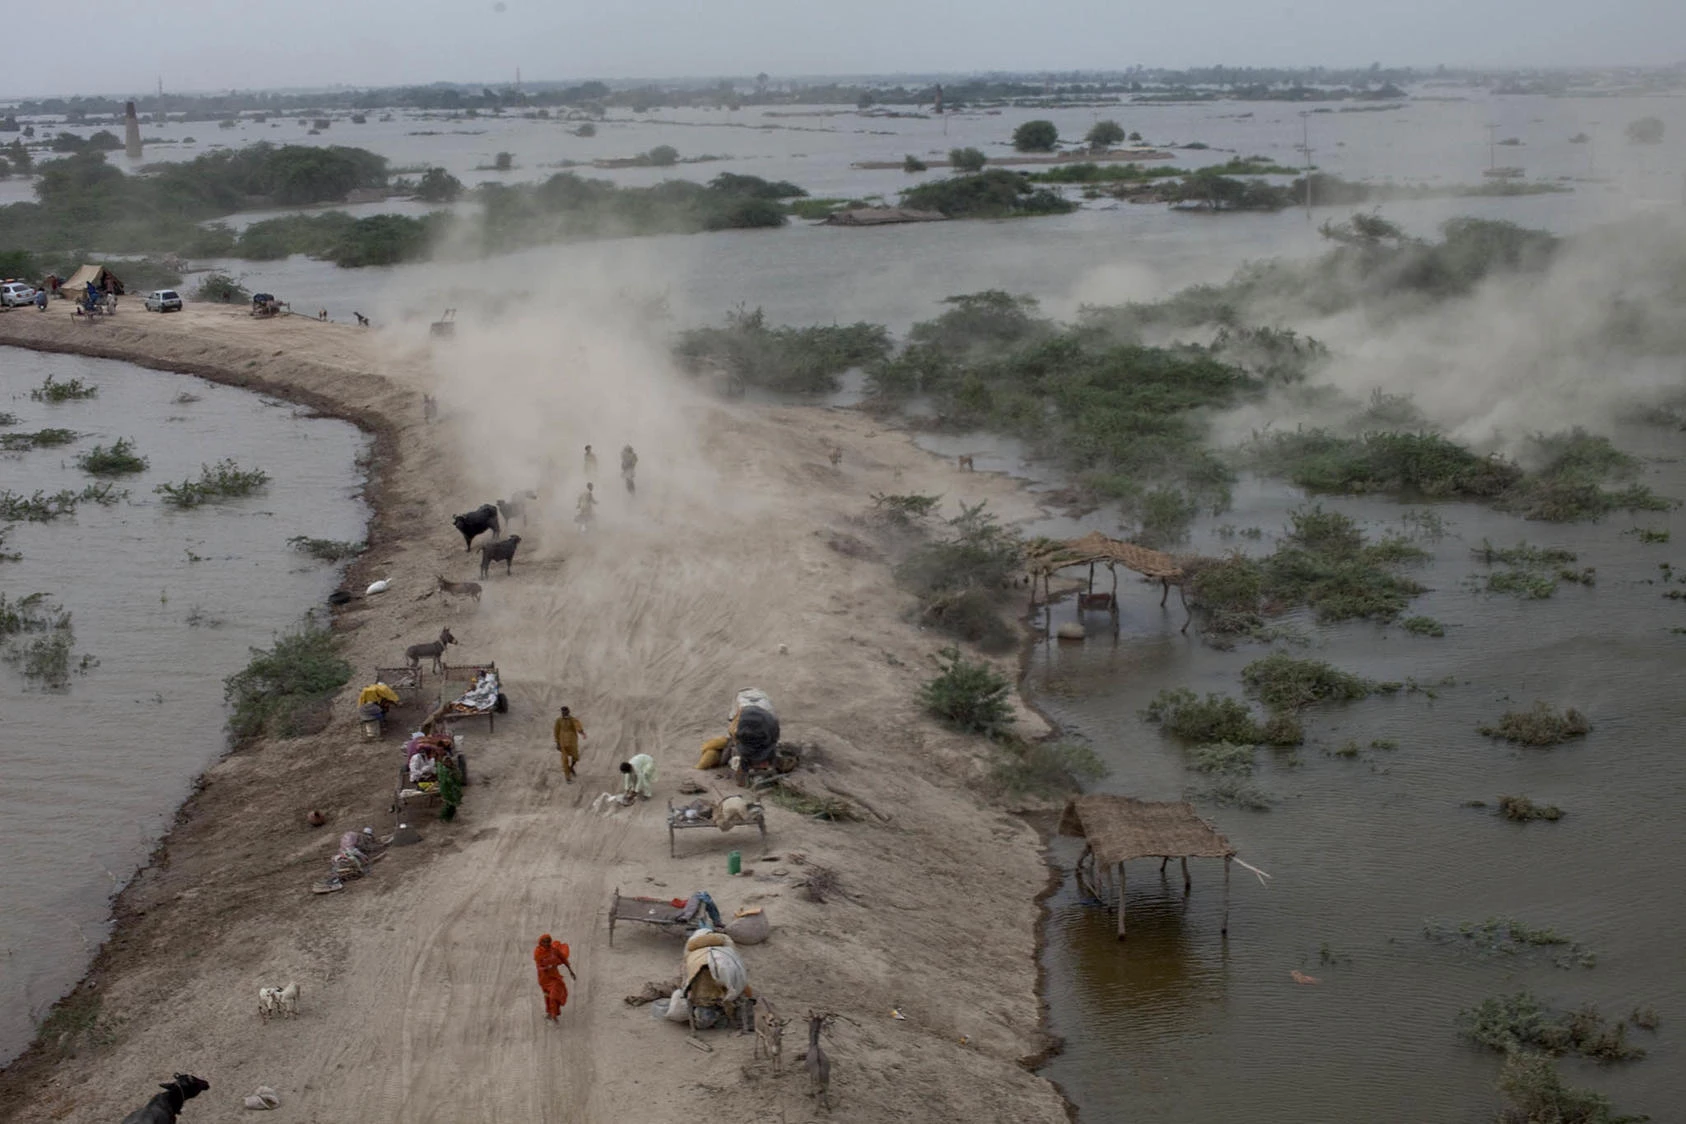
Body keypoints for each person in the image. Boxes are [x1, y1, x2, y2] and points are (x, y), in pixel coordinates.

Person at [532, 933, 575, 1023]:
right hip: (543, 979)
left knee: (553, 996)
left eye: (549, 941)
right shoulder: (538, 953)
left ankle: (554, 1015)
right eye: (545, 942)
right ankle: (549, 1012)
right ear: (541, 942)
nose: (547, 944)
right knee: (547, 996)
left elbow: (564, 959)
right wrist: (547, 967)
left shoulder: (554, 951)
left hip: (554, 978)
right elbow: (539, 966)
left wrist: (570, 971)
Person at [553, 705, 585, 783]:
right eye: (563, 712)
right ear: (562, 713)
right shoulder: (558, 721)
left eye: (566, 712)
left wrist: (582, 732)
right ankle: (567, 777)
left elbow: (578, 726)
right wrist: (557, 743)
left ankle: (571, 767)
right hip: (563, 743)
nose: (564, 713)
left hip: (572, 742)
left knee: (575, 757)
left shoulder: (572, 719)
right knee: (564, 760)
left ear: (568, 711)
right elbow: (556, 731)